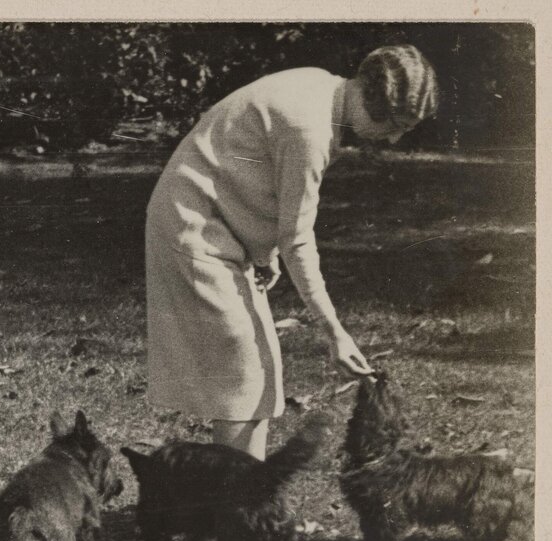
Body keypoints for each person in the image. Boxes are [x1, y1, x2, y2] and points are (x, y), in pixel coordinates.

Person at [144, 44, 439, 460]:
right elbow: (297, 238)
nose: (393, 138)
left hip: (217, 225)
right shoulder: (310, 129)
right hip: (191, 225)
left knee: (256, 374)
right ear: (373, 103)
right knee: (243, 374)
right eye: (394, 125)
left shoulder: (322, 86)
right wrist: (334, 332)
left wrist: (262, 255)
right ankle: (237, 508)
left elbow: (253, 177)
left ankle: (243, 497)